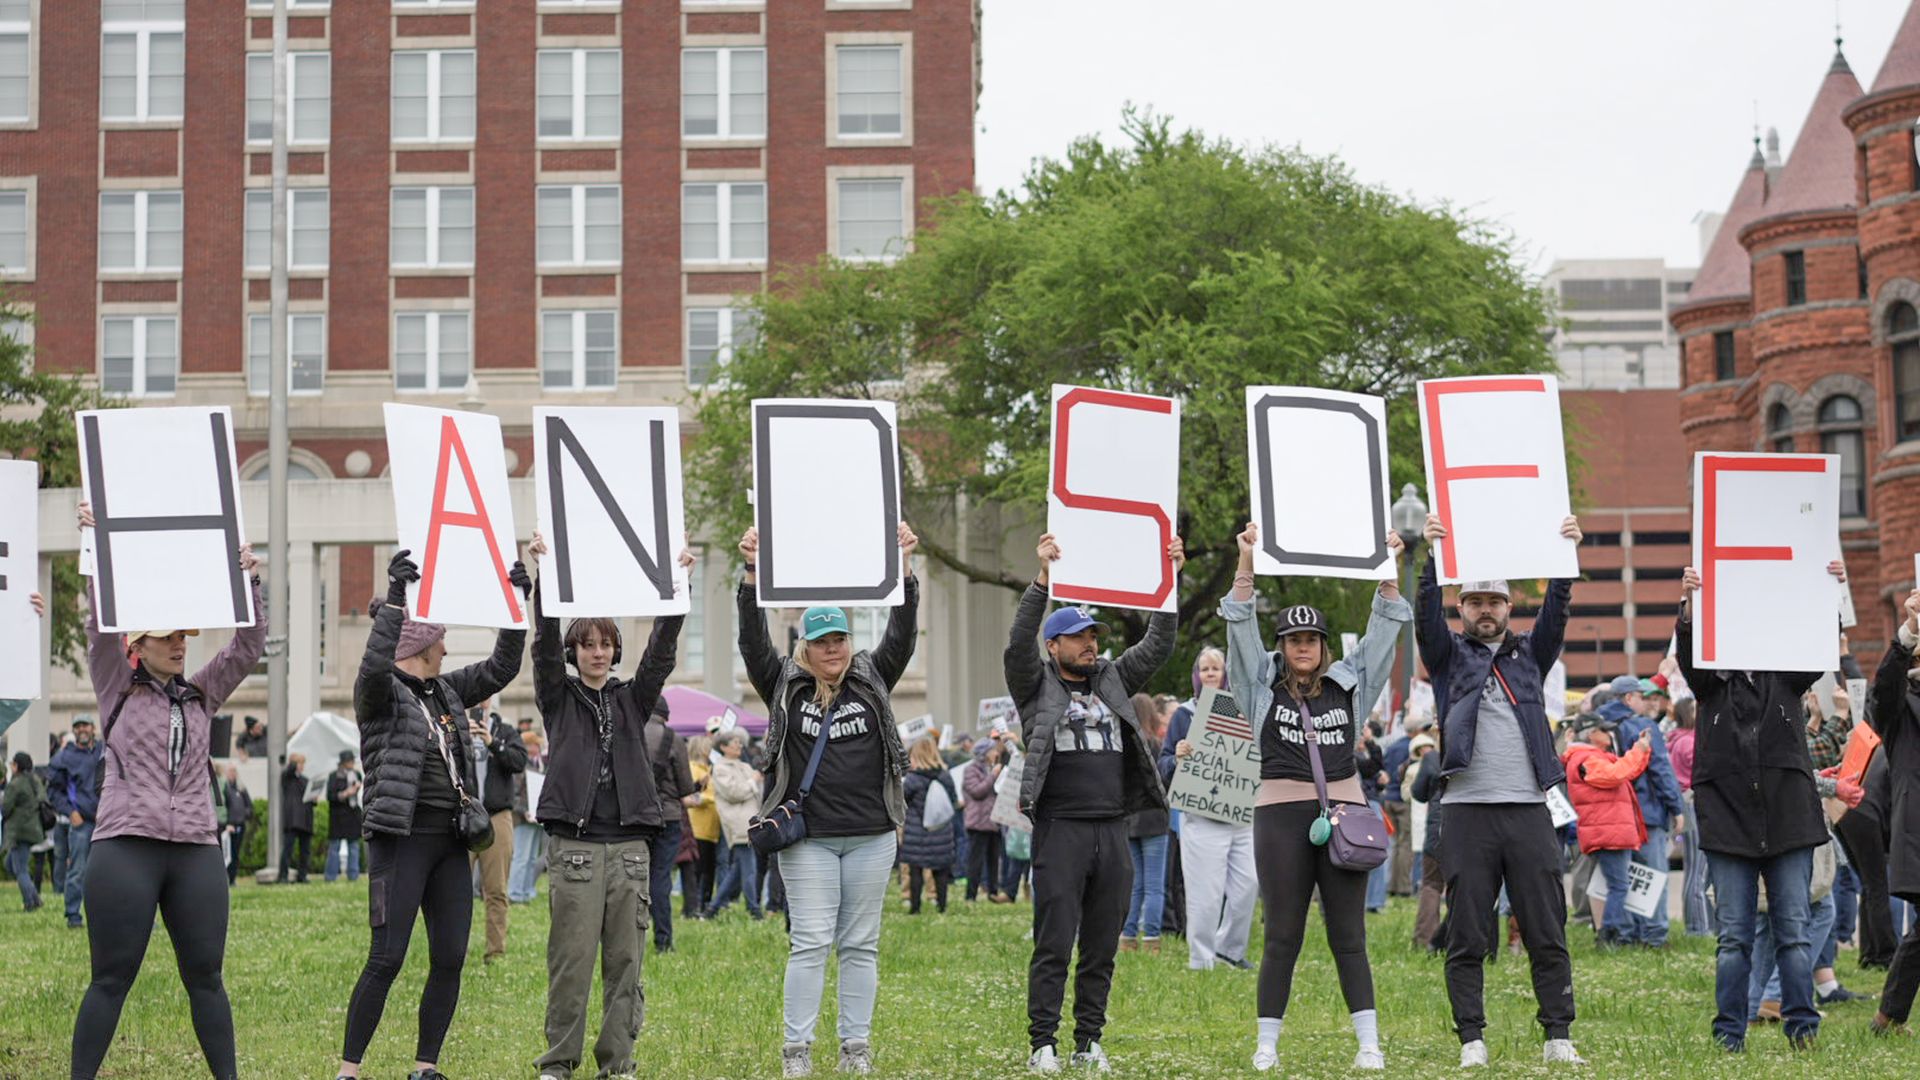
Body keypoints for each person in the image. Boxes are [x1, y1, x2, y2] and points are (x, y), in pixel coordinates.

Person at [70, 500, 266, 1080]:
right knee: (111, 979)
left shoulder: (201, 692)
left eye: (183, 635)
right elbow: (96, 623)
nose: (180, 644)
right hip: (126, 845)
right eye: (166, 637)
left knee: (207, 977)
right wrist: (93, 547)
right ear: (138, 646)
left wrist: (248, 580)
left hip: (196, 849)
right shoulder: (116, 687)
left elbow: (248, 648)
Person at [1220, 522, 1410, 1072]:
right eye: (1292, 640)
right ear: (1282, 647)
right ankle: (1267, 1045)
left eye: (1311, 639)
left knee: (1349, 935)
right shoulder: (1259, 685)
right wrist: (1246, 562)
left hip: (1345, 812)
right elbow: (1238, 629)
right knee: (1283, 932)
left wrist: (1389, 572)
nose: (1302, 647)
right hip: (1279, 815)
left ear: (1324, 646)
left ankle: (1369, 1044)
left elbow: (1381, 639)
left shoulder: (1350, 686)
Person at [336, 548, 529, 1080]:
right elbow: (375, 664)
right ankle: (349, 1071)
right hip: (401, 839)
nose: (446, 647)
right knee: (387, 957)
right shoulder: (379, 694)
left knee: (449, 957)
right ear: (421, 644)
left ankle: (425, 1067)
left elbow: (502, 667)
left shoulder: (446, 691)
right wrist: (396, 600)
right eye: (439, 638)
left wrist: (517, 605)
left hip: (450, 842)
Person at [738, 521, 920, 1078]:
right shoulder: (783, 684)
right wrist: (750, 575)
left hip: (871, 834)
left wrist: (906, 569)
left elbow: (902, 636)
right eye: (821, 641)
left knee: (861, 945)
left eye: (839, 638)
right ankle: (798, 1053)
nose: (833, 648)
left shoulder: (873, 678)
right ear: (806, 647)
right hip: (808, 838)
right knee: (811, 942)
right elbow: (751, 641)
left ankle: (855, 1048)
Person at [1008, 531, 1181, 1074]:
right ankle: (1042, 1044)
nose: (1091, 644)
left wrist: (1170, 581)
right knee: (1055, 941)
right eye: (1079, 637)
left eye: (1094, 636)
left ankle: (1088, 1042)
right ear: (1054, 646)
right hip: (1061, 829)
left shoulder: (1112, 679)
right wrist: (1041, 580)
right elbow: (1016, 643)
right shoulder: (1034, 684)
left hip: (1114, 829)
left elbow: (1157, 645)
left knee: (1103, 944)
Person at [1418, 511, 1587, 1068]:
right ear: (1461, 608)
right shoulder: (1447, 658)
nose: (1485, 610)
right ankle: (1472, 1039)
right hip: (1466, 812)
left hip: (1529, 809)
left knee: (1546, 927)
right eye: (1474, 602)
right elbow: (1424, 621)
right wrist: (1431, 557)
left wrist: (1564, 562)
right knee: (1467, 933)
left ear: (1509, 608)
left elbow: (1557, 615)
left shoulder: (1530, 656)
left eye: (1494, 601)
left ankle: (1558, 1036)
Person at [524, 531, 690, 1080]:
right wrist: (545, 579)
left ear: (614, 649)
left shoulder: (632, 699)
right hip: (575, 846)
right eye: (587, 645)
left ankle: (617, 1062)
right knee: (571, 964)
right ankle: (558, 1063)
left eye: (606, 644)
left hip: (628, 848)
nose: (597, 653)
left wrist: (676, 592)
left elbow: (660, 657)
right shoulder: (558, 696)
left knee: (626, 965)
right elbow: (542, 650)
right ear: (575, 652)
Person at [1674, 562, 1842, 1053]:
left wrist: (1826, 591)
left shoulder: (1787, 675)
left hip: (1788, 820)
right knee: (1734, 939)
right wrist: (1688, 608)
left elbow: (1818, 644)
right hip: (1729, 821)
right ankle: (1730, 1034)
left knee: (1793, 932)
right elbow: (1687, 653)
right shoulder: (1710, 681)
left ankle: (1802, 1029)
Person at [1160, 646, 1258, 971]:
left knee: (1249, 884)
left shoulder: (1243, 710)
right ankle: (1201, 961)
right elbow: (1162, 764)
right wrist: (1178, 755)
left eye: (1216, 668)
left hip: (1241, 816)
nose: (1211, 674)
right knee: (1206, 894)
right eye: (1205, 669)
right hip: (1202, 817)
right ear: (1196, 676)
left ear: (1226, 674)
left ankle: (1229, 950)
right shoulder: (1184, 715)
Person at [1597, 673, 1685, 948]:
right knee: (1652, 875)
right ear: (1628, 698)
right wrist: (1676, 807)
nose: (1645, 702)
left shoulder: (1598, 726)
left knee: (1623, 878)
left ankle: (1625, 934)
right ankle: (1654, 935)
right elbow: (1659, 769)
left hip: (1612, 815)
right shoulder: (1643, 727)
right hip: (1646, 812)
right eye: (1640, 696)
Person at [1867, 587, 1920, 1037]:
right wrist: (1906, 635)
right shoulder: (1900, 707)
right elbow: (1883, 689)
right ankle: (1888, 1016)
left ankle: (1888, 1016)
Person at [1559, 713, 1652, 946]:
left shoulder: (1587, 757)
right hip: (1609, 833)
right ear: (1591, 734)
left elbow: (1626, 772)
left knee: (1614, 886)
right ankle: (1609, 937)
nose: (1609, 734)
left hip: (1608, 831)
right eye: (1604, 729)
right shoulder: (1585, 758)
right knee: (1618, 887)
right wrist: (1638, 750)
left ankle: (1616, 933)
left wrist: (1641, 750)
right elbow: (1617, 774)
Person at [465, 700, 528, 961]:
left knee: (496, 889)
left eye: (486, 696)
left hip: (497, 816)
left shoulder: (506, 731)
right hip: (464, 816)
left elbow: (518, 762)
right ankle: (454, 950)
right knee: (456, 890)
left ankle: (495, 951)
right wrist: (462, 738)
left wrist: (492, 742)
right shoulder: (456, 729)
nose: (480, 701)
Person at [644, 697, 697, 953]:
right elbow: (685, 786)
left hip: (635, 819)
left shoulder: (628, 733)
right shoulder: (671, 738)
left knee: (632, 881)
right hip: (667, 817)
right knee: (660, 878)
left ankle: (629, 940)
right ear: (665, 715)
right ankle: (663, 941)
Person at [1121, 692, 1171, 952]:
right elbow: (1160, 782)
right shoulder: (1153, 745)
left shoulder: (1122, 747)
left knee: (1135, 884)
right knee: (1154, 885)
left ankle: (1127, 936)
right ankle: (1152, 939)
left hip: (1129, 820)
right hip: (1153, 819)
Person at [47, 712, 102, 927]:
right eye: (77, 726)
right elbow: (53, 792)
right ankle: (73, 915)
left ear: (93, 729)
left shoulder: (104, 751)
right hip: (82, 824)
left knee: (114, 871)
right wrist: (70, 812)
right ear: (74, 731)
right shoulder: (63, 758)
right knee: (77, 870)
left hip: (107, 823)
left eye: (85, 726)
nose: (82, 730)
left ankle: (114, 916)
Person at [703, 727, 764, 919]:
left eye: (739, 742)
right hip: (738, 825)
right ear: (723, 747)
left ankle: (712, 909)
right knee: (749, 869)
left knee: (738, 870)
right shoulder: (720, 769)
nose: (739, 745)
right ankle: (755, 911)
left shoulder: (744, 766)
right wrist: (753, 781)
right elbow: (734, 793)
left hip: (751, 821)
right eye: (734, 742)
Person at [1667, 697, 1712, 937]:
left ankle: (1698, 925)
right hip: (1694, 803)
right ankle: (1698, 928)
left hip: (1687, 803)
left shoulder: (1677, 740)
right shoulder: (1690, 742)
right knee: (1699, 870)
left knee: (1693, 868)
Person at [902, 734, 959, 915]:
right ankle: (942, 907)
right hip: (941, 831)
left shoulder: (912, 779)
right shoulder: (945, 776)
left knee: (915, 870)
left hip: (916, 831)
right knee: (940, 871)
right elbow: (954, 801)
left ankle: (915, 908)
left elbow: (902, 801)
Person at [962, 739, 1012, 903]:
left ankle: (993, 892)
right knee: (976, 861)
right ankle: (971, 895)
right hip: (978, 823)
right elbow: (977, 791)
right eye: (992, 751)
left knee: (993, 860)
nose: (996, 754)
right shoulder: (971, 770)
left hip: (994, 821)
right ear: (984, 753)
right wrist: (993, 776)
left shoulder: (991, 768)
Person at [683, 733, 720, 916]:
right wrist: (711, 798)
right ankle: (694, 906)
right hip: (698, 828)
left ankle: (704, 904)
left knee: (708, 870)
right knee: (699, 870)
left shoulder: (709, 769)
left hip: (712, 829)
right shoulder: (692, 768)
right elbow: (690, 796)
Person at [4, 751, 46, 911]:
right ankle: (35, 897)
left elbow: (5, 808)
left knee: (20, 870)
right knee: (10, 864)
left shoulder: (15, 784)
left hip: (18, 831)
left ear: (17, 766)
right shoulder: (34, 780)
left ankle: (30, 903)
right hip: (32, 830)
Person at [508, 731, 545, 904]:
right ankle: (515, 892)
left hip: (536, 819)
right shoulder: (521, 766)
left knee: (531, 858)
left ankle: (527, 891)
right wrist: (524, 812)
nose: (537, 748)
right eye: (534, 745)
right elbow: (514, 795)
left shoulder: (538, 766)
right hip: (523, 819)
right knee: (521, 857)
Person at [326, 751, 365, 883]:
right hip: (338, 816)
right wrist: (345, 793)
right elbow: (330, 796)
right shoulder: (333, 776)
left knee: (354, 847)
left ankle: (353, 875)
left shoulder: (357, 774)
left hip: (353, 815)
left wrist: (356, 789)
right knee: (334, 847)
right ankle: (331, 876)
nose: (351, 764)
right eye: (349, 761)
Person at [279, 752, 316, 883]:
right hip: (293, 819)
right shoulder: (287, 778)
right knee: (288, 849)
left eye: (302, 763)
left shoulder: (306, 780)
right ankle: (283, 875)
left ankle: (302, 875)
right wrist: (292, 763)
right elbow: (289, 771)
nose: (301, 766)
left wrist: (314, 797)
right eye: (298, 763)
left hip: (306, 818)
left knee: (305, 851)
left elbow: (311, 799)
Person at [220, 765, 252, 888]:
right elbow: (223, 807)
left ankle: (233, 879)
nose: (232, 774)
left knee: (236, 853)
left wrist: (245, 814)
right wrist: (228, 822)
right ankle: (225, 879)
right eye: (230, 771)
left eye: (234, 771)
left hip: (240, 825)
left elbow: (249, 805)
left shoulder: (241, 788)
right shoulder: (224, 788)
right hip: (228, 827)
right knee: (228, 853)